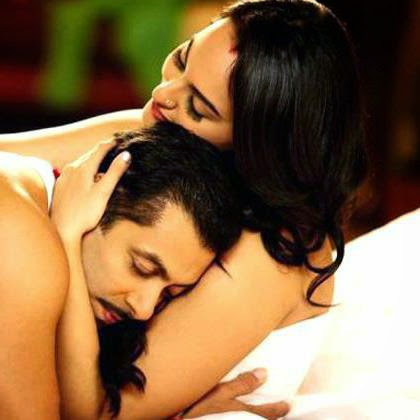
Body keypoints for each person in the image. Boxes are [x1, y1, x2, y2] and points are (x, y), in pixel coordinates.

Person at [0, 0, 367, 418]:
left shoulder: (270, 252)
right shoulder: (161, 129)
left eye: (199, 106)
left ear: (254, 147)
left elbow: (101, 413)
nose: (163, 94)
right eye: (180, 59)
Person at [0, 123, 289, 419]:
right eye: (142, 268)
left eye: (169, 293)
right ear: (101, 192)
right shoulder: (22, 237)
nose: (144, 309)